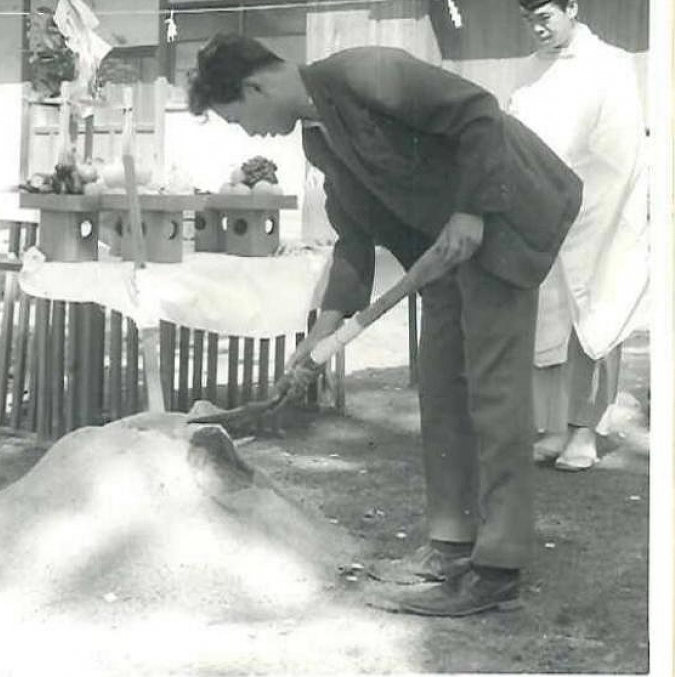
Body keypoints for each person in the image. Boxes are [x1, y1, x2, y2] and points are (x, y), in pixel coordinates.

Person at [187, 33, 582, 617]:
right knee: (440, 386)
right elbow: (354, 238)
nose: (246, 133)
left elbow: (478, 113)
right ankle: (452, 543)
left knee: (493, 391)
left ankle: (497, 570)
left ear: (256, 85)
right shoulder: (318, 139)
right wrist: (321, 333)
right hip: (442, 250)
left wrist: (472, 209)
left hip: (500, 217)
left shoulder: (365, 73)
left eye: (237, 117)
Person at [503, 0, 648, 470]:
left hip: (596, 209)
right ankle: (551, 425)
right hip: (540, 212)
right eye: (530, 20)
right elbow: (513, 137)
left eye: (547, 16)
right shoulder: (529, 72)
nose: (540, 28)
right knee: (545, 318)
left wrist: (573, 202)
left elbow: (620, 151)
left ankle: (584, 429)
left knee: (593, 309)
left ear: (572, 7)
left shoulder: (611, 64)